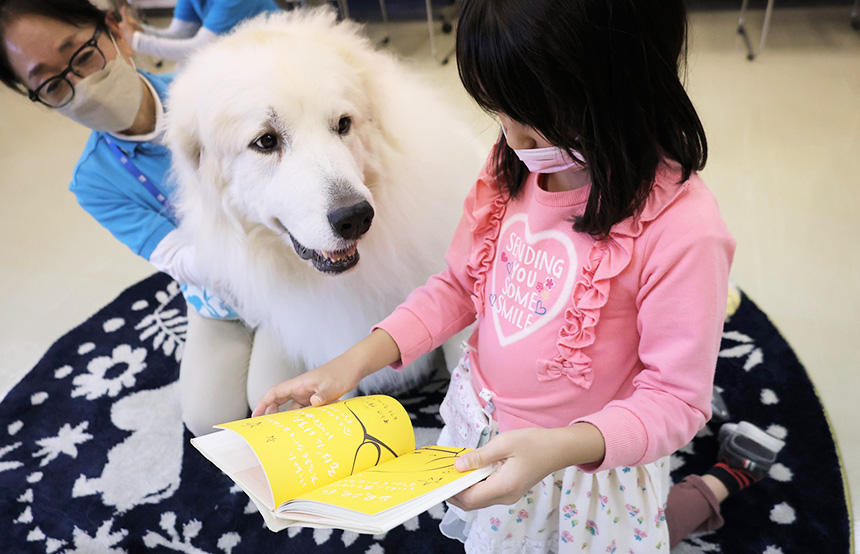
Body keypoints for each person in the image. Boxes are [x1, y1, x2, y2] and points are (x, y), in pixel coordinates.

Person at [252, 0, 777, 549]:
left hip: (582, 468)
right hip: (490, 428)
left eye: (536, 116)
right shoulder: (514, 163)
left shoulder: (684, 230)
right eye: (499, 111)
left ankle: (719, 483)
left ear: (623, 92)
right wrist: (353, 362)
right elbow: (458, 286)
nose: (511, 136)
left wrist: (556, 449)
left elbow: (675, 399)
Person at [0, 0, 285, 437]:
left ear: (116, 31)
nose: (83, 85)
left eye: (81, 56)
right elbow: (177, 258)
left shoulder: (217, 98)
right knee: (208, 421)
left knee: (279, 404)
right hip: (216, 296)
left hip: (284, 275)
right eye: (53, 85)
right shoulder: (95, 181)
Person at [116, 0, 281, 64]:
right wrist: (142, 31)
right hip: (238, 48)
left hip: (273, 51)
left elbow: (197, 48)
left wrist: (136, 41)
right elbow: (180, 34)